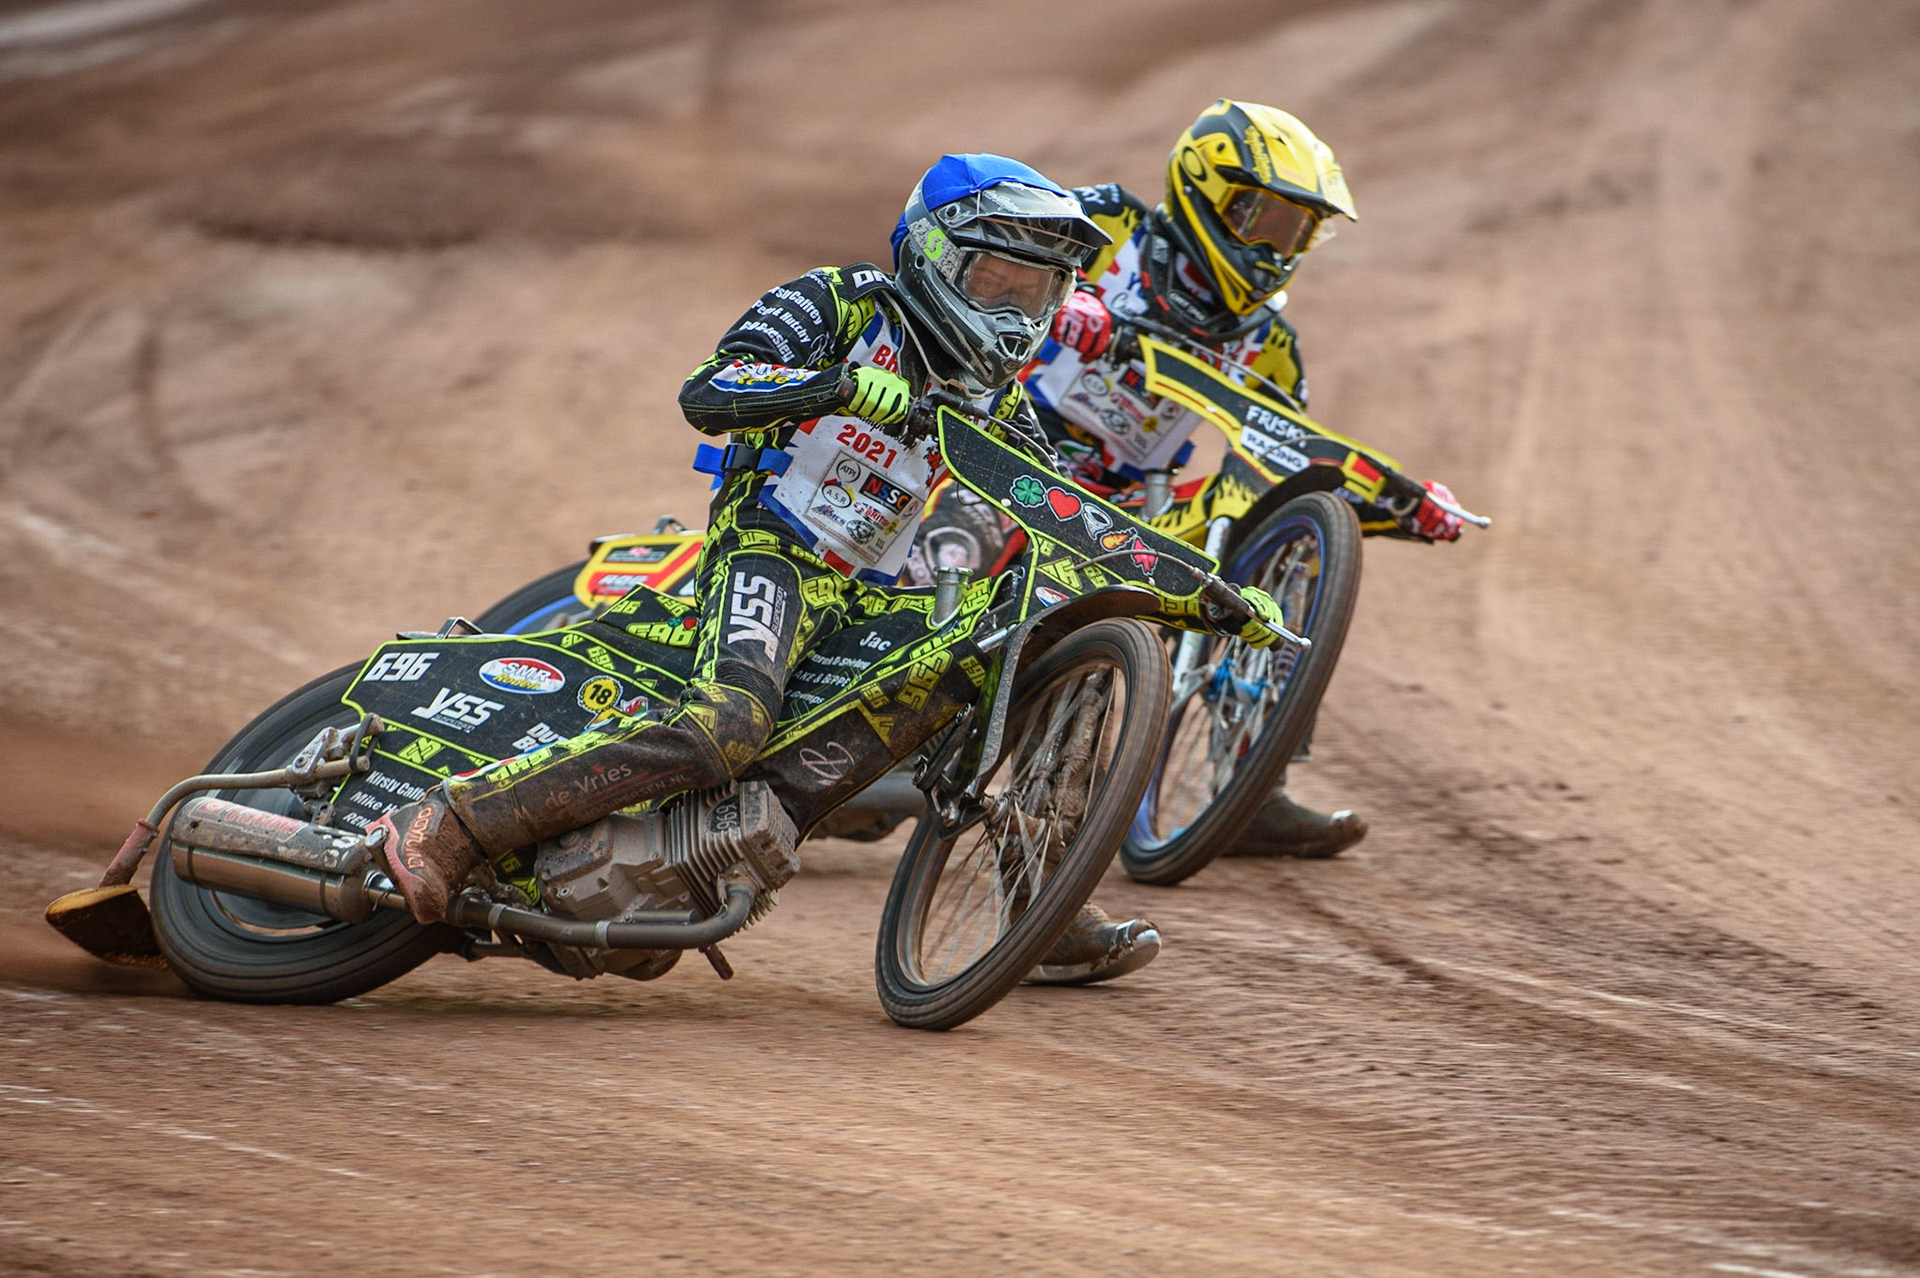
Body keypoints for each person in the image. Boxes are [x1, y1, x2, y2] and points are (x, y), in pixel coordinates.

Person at [367, 153, 1290, 985]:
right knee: (727, 724)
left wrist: (1209, 595)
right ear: (935, 254)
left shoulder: (993, 399)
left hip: (863, 587)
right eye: (996, 279)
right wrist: (840, 386)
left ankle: (1035, 898)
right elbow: (711, 388)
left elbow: (1067, 509)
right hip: (769, 542)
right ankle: (457, 823)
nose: (1015, 311)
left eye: (1037, 290)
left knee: (975, 663)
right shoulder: (844, 303)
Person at [908, 101, 1465, 860]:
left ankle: (1248, 787)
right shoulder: (1106, 227)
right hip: (1003, 445)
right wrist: (1071, 306)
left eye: (1295, 230)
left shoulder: (1271, 340)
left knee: (1276, 571)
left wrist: (1404, 503)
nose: (1276, 246)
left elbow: (1285, 453)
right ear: (1205, 193)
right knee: (958, 533)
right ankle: (881, 691)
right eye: (1262, 218)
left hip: (1131, 501)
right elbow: (994, 265)